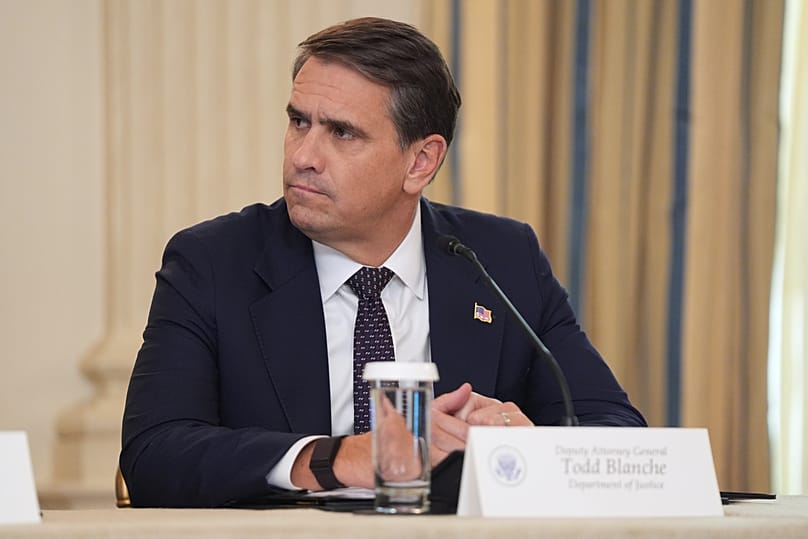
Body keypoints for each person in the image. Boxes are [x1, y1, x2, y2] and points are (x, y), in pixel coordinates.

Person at [120, 16, 646, 508]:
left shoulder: (501, 259)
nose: (304, 154)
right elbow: (153, 454)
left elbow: (616, 431)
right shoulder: (213, 262)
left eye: (342, 133)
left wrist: (527, 445)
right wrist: (339, 458)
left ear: (420, 162)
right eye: (299, 122)